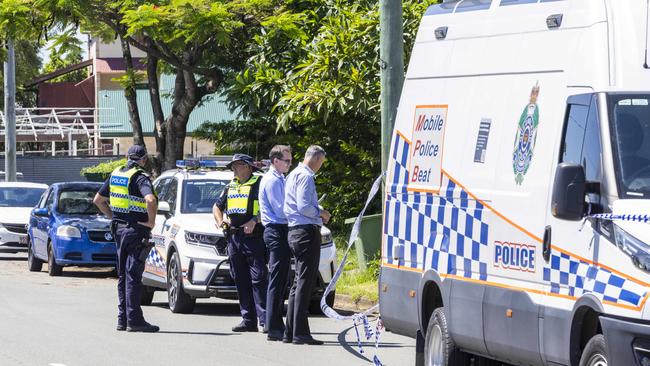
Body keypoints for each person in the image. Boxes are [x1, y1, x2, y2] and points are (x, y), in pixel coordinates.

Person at [93, 145, 159, 333]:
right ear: (144, 159)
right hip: (136, 231)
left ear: (125, 156)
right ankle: (134, 320)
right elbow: (151, 200)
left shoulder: (116, 174)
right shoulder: (139, 176)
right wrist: (151, 222)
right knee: (133, 276)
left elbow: (98, 200)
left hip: (119, 230)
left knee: (123, 275)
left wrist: (113, 217)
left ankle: (123, 319)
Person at [213, 154, 268, 332]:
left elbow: (271, 208)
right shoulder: (231, 185)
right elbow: (216, 206)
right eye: (233, 166)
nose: (234, 169)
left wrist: (254, 221)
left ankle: (265, 320)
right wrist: (221, 221)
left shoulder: (259, 184)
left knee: (258, 278)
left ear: (249, 167)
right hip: (234, 238)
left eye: (238, 165)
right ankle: (248, 319)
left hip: (254, 237)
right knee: (240, 279)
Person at [283, 145, 331, 345]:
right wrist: (321, 213)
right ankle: (300, 333)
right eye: (321, 162)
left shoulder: (294, 174)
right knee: (304, 283)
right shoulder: (306, 176)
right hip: (305, 232)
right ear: (317, 159)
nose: (320, 166)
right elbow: (303, 206)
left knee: (298, 283)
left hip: (295, 231)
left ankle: (291, 331)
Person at [259, 145, 293, 341]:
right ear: (276, 161)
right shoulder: (272, 180)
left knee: (281, 281)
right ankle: (272, 327)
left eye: (290, 161)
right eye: (286, 161)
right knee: (276, 280)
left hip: (280, 231)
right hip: (276, 231)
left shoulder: (279, 178)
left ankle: (276, 323)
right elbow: (281, 211)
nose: (289, 164)